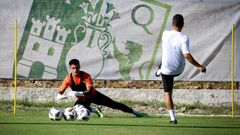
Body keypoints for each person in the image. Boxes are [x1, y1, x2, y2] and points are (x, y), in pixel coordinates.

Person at [157, 14, 206, 124]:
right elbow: (186, 55)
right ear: (182, 25)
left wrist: (198, 66)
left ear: (172, 24)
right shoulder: (184, 38)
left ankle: (173, 118)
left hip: (167, 70)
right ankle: (161, 68)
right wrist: (199, 66)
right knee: (169, 65)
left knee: (168, 94)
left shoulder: (165, 34)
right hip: (179, 69)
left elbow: (186, 55)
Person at [56, 59, 148, 118]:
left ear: (79, 67)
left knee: (114, 105)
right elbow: (61, 90)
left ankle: (136, 113)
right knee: (76, 109)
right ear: (70, 68)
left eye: (76, 68)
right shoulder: (68, 78)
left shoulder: (86, 75)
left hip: (94, 96)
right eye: (73, 68)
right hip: (83, 100)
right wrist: (59, 95)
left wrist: (79, 93)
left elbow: (89, 91)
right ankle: (95, 110)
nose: (75, 70)